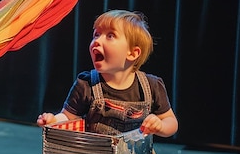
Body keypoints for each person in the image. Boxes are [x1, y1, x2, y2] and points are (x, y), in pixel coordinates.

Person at [37, 9, 178, 137]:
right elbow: (68, 117)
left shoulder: (151, 86)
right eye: (96, 34)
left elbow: (171, 122)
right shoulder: (86, 84)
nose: (97, 41)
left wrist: (160, 126)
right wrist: (54, 120)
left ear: (133, 53)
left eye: (110, 36)